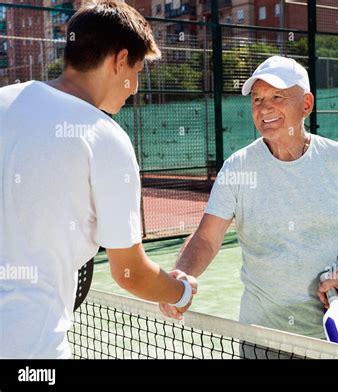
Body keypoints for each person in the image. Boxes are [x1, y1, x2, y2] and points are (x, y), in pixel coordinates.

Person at [0, 0, 196, 359]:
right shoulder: (105, 137)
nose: (135, 87)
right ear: (119, 61)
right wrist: (179, 292)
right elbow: (128, 271)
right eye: (136, 70)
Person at [160, 56, 338, 340]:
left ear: (307, 105)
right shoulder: (238, 168)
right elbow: (206, 238)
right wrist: (181, 275)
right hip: (260, 336)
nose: (264, 107)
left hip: (332, 336)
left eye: (277, 96)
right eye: (257, 98)